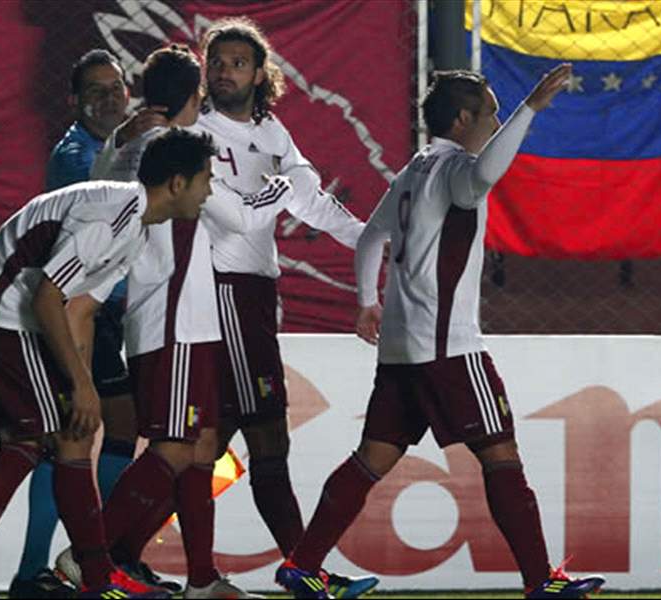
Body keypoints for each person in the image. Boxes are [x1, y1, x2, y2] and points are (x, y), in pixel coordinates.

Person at [275, 65, 607, 599]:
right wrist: (529, 111)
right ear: (462, 118)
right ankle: (539, 581)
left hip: (403, 349)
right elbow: (481, 179)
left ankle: (303, 565)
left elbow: (368, 240)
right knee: (501, 456)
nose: (495, 121)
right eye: (491, 112)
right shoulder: (455, 166)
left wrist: (368, 303)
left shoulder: (413, 168)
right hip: (449, 348)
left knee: (371, 459)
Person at [55, 43, 296, 599]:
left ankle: (202, 578)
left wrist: (118, 138)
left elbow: (100, 177)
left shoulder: (132, 145)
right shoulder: (175, 150)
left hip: (181, 320)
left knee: (204, 446)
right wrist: (278, 189)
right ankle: (89, 556)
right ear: (196, 95)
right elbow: (237, 220)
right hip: (175, 322)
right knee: (174, 448)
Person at [0, 127, 217, 599]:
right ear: (176, 184)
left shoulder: (134, 226)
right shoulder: (112, 218)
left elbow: (80, 309)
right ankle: (84, 579)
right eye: (205, 179)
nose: (209, 191)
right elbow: (49, 296)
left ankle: (93, 579)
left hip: (19, 313)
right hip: (7, 314)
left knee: (63, 438)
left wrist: (80, 384)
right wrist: (83, 388)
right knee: (35, 441)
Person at [195, 18, 378, 598]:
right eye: (216, 61)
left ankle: (113, 553)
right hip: (223, 290)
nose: (224, 70)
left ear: (259, 74)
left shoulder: (272, 133)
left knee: (210, 445)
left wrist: (374, 239)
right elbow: (261, 205)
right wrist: (281, 186)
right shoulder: (197, 132)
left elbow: (314, 205)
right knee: (267, 437)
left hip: (253, 295)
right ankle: (306, 570)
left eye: (237, 62)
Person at [10, 48, 174, 599]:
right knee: (74, 437)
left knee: (107, 431)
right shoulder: (76, 153)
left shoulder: (116, 145)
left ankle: (89, 557)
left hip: (103, 308)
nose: (109, 99)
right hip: (71, 309)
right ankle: (54, 565)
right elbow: (103, 203)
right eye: (96, 91)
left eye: (116, 88)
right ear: (74, 102)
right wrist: (126, 141)